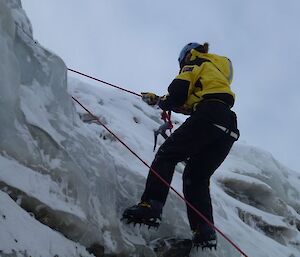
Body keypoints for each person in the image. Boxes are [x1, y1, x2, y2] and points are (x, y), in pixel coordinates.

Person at [122, 42, 239, 249]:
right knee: (196, 177)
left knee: (167, 154)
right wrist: (160, 101)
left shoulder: (194, 63)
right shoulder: (214, 71)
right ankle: (204, 232)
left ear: (185, 56)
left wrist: (163, 100)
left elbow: (178, 92)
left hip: (209, 114)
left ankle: (151, 206)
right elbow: (186, 103)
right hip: (228, 125)